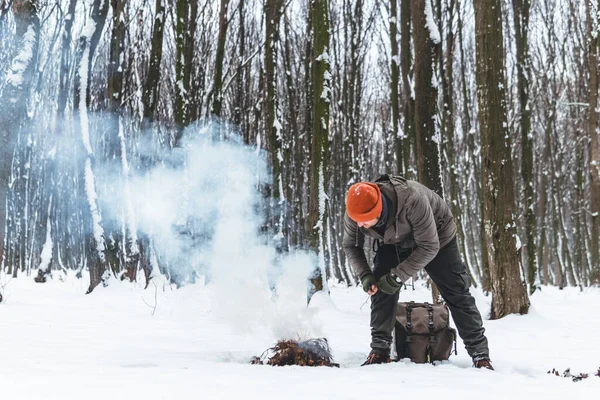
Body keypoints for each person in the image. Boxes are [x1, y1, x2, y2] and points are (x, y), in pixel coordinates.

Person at [343, 174, 493, 369]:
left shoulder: (413, 200)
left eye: (364, 221)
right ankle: (380, 351)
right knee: (381, 288)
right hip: (394, 240)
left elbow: (429, 246)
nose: (360, 225)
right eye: (357, 221)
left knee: (457, 292)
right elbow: (351, 245)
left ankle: (480, 355)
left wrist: (398, 276)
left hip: (437, 237)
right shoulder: (355, 210)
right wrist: (364, 274)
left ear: (378, 211)